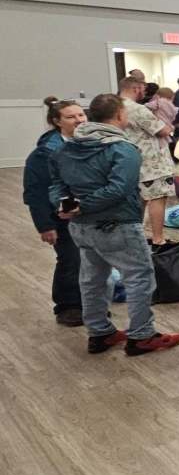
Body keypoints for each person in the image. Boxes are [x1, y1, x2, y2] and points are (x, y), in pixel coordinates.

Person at [49, 94, 179, 356]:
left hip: (81, 228)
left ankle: (99, 332)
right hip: (117, 225)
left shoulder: (64, 149)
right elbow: (120, 188)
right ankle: (142, 335)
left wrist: (66, 205)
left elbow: (56, 185)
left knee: (93, 280)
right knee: (139, 277)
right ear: (121, 115)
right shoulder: (123, 149)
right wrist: (83, 205)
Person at [25, 98, 87, 326]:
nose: (79, 120)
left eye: (81, 115)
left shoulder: (92, 144)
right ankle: (68, 306)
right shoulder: (43, 155)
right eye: (71, 116)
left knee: (90, 261)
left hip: (89, 214)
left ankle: (89, 304)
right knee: (71, 260)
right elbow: (35, 192)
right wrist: (45, 225)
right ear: (57, 121)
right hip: (61, 217)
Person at [117, 76, 175, 246]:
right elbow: (162, 130)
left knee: (139, 198)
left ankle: (136, 235)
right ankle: (158, 238)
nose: (144, 93)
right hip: (151, 162)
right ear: (135, 89)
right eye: (143, 90)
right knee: (158, 197)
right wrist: (169, 125)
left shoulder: (114, 107)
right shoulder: (137, 109)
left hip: (129, 158)